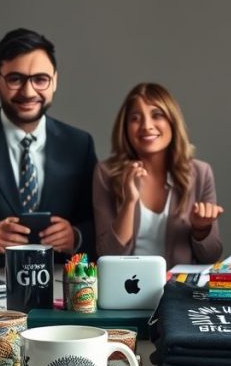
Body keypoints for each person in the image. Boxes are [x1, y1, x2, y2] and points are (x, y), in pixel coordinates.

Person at [0, 28, 97, 265]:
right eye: (15, 79)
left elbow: (100, 225)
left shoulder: (79, 144)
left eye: (40, 79)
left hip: (61, 286)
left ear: (55, 80)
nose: (28, 92)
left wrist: (76, 236)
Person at [93, 82, 224, 264]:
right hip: (124, 286)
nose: (146, 126)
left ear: (172, 121)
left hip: (179, 289)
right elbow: (107, 255)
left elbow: (211, 256)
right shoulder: (106, 174)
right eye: (135, 118)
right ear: (125, 127)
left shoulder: (200, 174)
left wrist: (201, 229)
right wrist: (129, 201)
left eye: (157, 115)